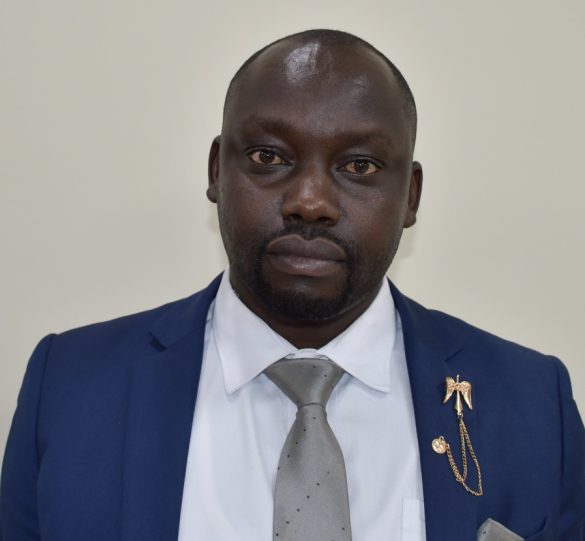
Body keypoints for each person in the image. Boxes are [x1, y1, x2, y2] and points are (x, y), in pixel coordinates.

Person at [1, 29, 583, 541]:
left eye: (359, 166)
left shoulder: (532, 402)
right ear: (216, 171)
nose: (310, 201)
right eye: (268, 156)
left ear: (410, 197)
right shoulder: (72, 386)